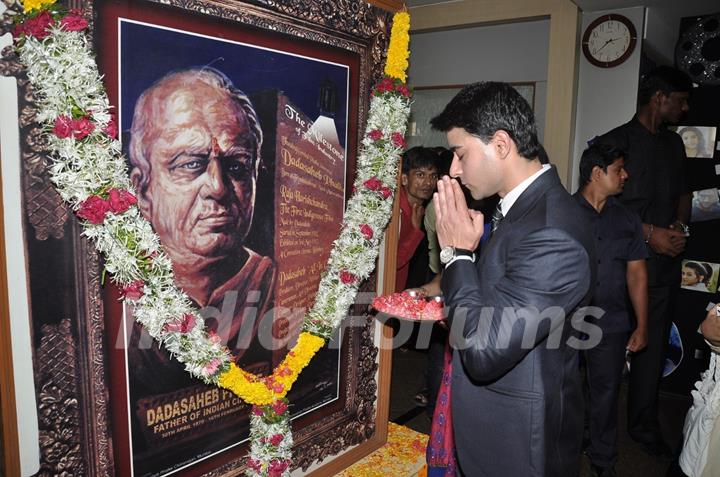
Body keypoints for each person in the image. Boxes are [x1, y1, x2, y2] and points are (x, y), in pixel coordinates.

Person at [431, 81, 596, 476]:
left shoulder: (552, 230)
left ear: (501, 145)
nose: (454, 169)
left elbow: (485, 351)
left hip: (519, 443)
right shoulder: (520, 210)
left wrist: (456, 256)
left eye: (459, 154)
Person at [127, 67, 278, 394]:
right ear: (142, 191)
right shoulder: (118, 302)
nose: (218, 187)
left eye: (236, 166)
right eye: (189, 164)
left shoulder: (279, 286)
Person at [595, 65, 693, 458]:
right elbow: (598, 204)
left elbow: (684, 193)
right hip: (618, 270)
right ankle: (593, 430)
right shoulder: (613, 143)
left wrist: (680, 227)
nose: (684, 110)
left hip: (663, 269)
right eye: (681, 101)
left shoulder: (675, 146)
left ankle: (643, 425)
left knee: (652, 352)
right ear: (659, 98)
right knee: (604, 350)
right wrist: (650, 233)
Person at [574, 144, 649, 477]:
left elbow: (636, 274)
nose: (625, 175)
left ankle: (603, 460)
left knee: (606, 396)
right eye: (618, 168)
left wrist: (642, 325)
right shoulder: (564, 213)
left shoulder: (627, 219)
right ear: (596, 173)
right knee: (566, 390)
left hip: (612, 323)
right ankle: (567, 446)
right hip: (566, 322)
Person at [395, 146, 439, 291]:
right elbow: (392, 263)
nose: (428, 183)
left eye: (433, 176)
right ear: (404, 178)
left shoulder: (422, 209)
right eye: (420, 175)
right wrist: (414, 231)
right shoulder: (395, 211)